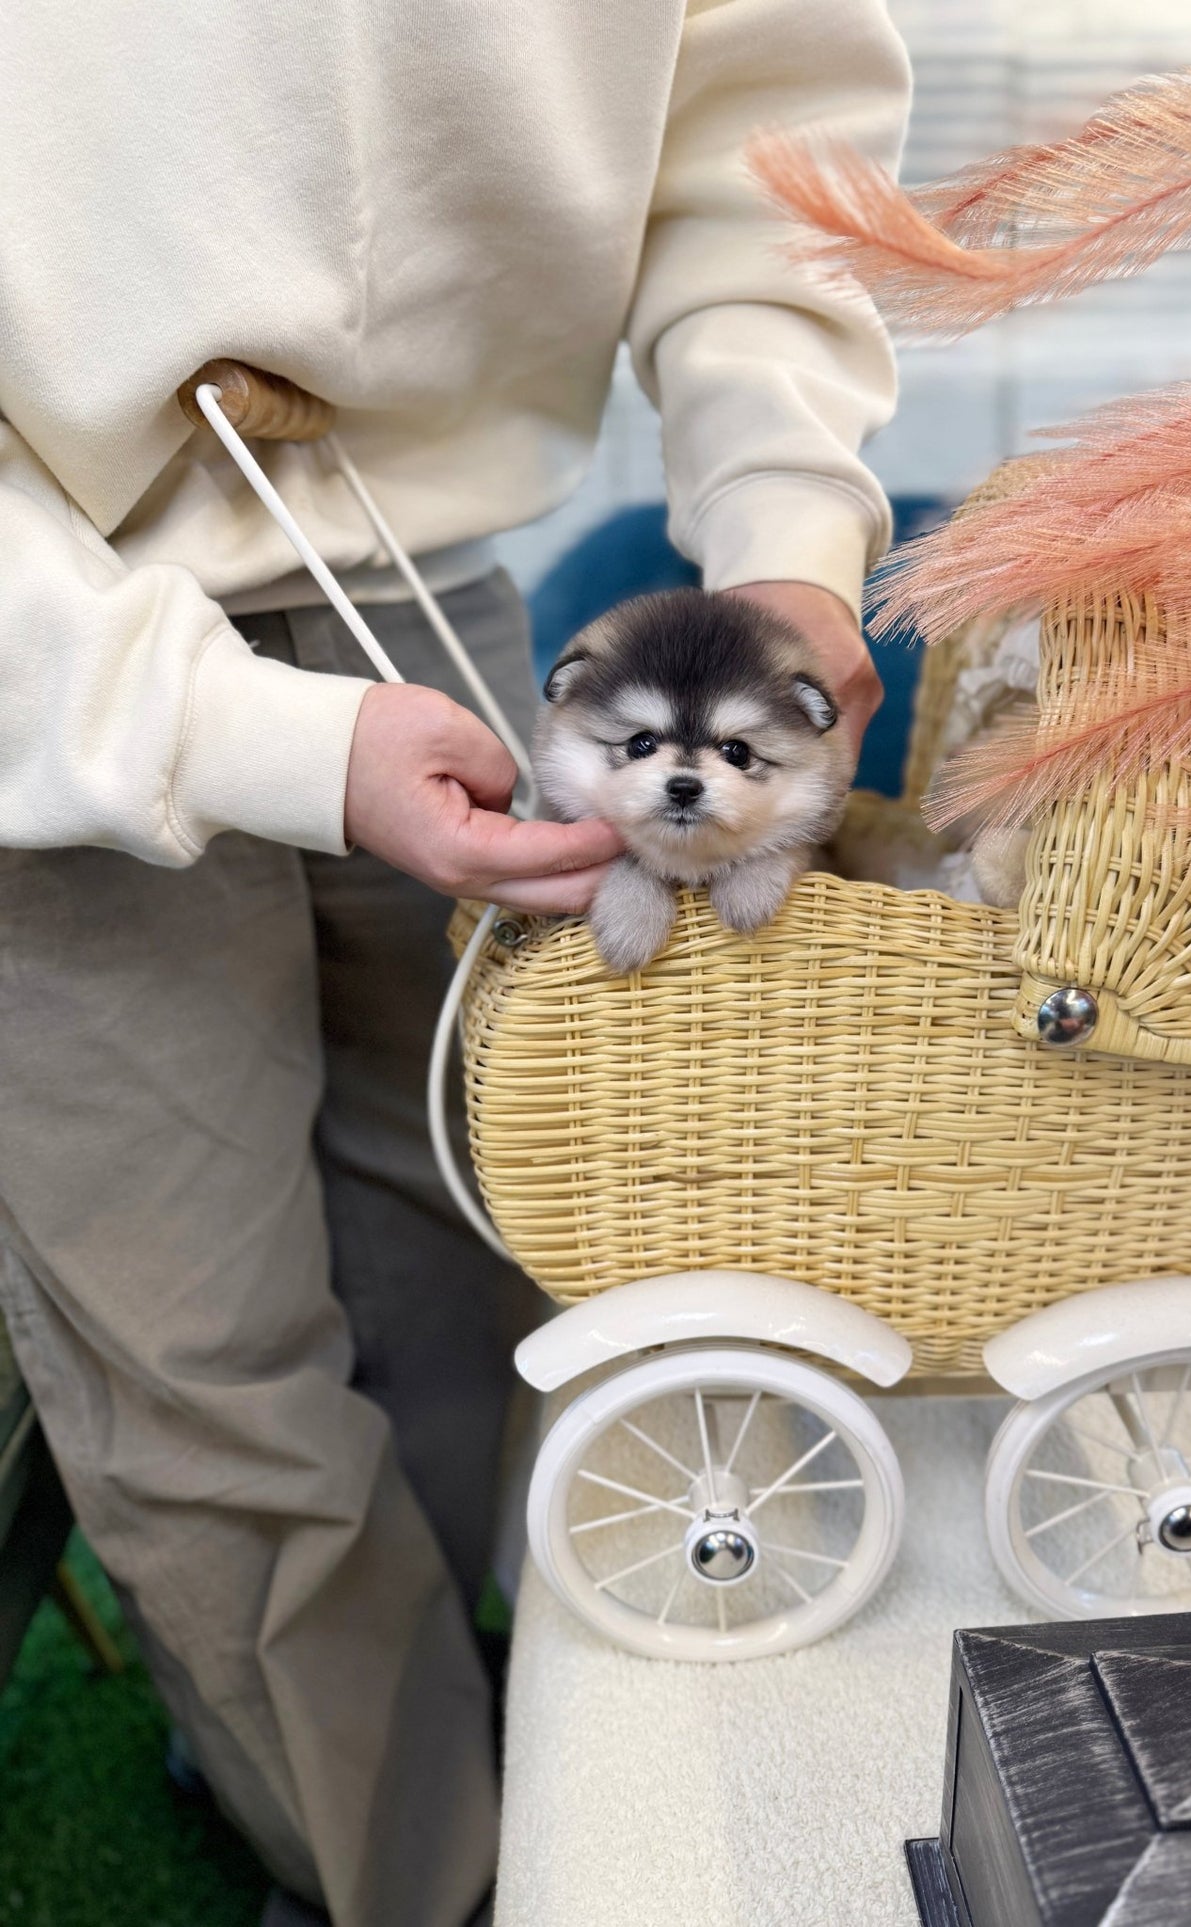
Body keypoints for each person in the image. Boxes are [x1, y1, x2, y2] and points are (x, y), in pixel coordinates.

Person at [0, 3, 910, 1922]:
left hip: (430, 582)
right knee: (207, 1365)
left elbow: (763, 141)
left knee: (473, 1247)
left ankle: (431, 1717)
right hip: (37, 646)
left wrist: (787, 526)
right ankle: (421, 1878)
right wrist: (240, 737)